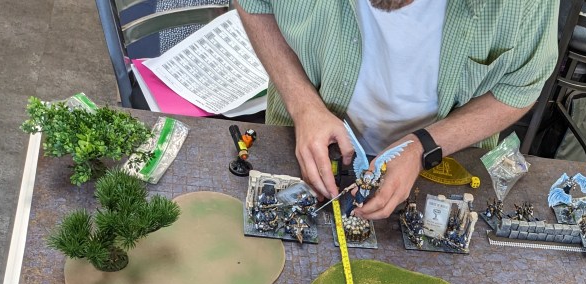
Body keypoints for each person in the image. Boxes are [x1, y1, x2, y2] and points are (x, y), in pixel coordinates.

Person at [235, 0, 559, 218]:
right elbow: (254, 5)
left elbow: (520, 87)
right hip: (300, 136)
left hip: (447, 166)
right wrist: (304, 105)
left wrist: (423, 146)